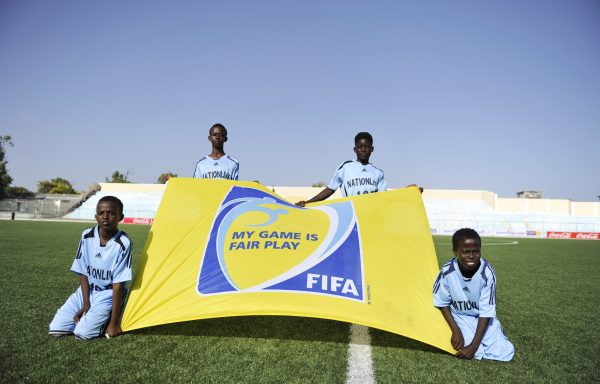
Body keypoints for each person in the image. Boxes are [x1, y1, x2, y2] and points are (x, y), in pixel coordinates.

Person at [48, 196, 132, 340]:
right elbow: (83, 271)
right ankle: (91, 312)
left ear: (121, 217)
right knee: (56, 329)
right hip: (87, 291)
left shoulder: (123, 243)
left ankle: (114, 311)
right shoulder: (86, 235)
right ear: (96, 216)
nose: (105, 216)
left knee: (83, 334)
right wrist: (86, 303)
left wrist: (114, 323)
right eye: (101, 213)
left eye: (111, 213)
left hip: (108, 294)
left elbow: (119, 282)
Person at [433, 228, 515, 361]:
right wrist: (455, 329)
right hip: (459, 316)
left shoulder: (487, 274)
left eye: (476, 251)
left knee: (503, 353)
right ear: (455, 252)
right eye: (466, 252)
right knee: (463, 347)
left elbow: (486, 311)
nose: (471, 256)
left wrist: (474, 346)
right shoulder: (447, 271)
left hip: (482, 317)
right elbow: (442, 302)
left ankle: (496, 330)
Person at [296, 132, 420, 206]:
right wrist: (308, 202)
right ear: (355, 149)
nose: (363, 149)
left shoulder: (378, 173)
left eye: (367, 146)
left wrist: (406, 193)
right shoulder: (345, 167)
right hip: (351, 216)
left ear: (372, 149)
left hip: (371, 216)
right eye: (360, 146)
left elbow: (384, 197)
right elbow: (330, 190)